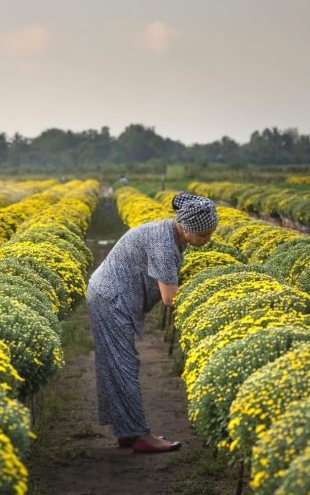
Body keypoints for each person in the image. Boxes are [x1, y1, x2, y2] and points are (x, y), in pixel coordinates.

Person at [86, 191, 217, 453]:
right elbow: (170, 298)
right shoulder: (164, 244)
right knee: (122, 365)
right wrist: (208, 301)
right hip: (110, 298)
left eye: (210, 234)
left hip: (109, 295)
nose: (207, 240)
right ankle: (140, 436)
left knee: (117, 364)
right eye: (203, 235)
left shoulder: (170, 234)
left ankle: (127, 431)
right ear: (186, 226)